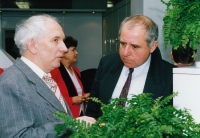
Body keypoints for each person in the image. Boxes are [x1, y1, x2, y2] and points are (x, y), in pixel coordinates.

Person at [0, 14, 95, 138]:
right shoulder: (12, 82)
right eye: (55, 40)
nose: (64, 48)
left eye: (62, 40)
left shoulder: (46, 77)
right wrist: (72, 125)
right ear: (33, 46)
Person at [85, 14, 176, 119]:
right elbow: (92, 112)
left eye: (135, 46)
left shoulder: (170, 76)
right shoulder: (106, 64)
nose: (125, 52)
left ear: (153, 46)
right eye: (123, 44)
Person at [51, 36, 90, 118]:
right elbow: (52, 98)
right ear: (64, 52)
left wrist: (84, 96)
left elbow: (78, 92)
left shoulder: (76, 70)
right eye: (73, 50)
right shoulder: (54, 71)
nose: (76, 53)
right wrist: (72, 100)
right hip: (67, 116)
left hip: (81, 112)